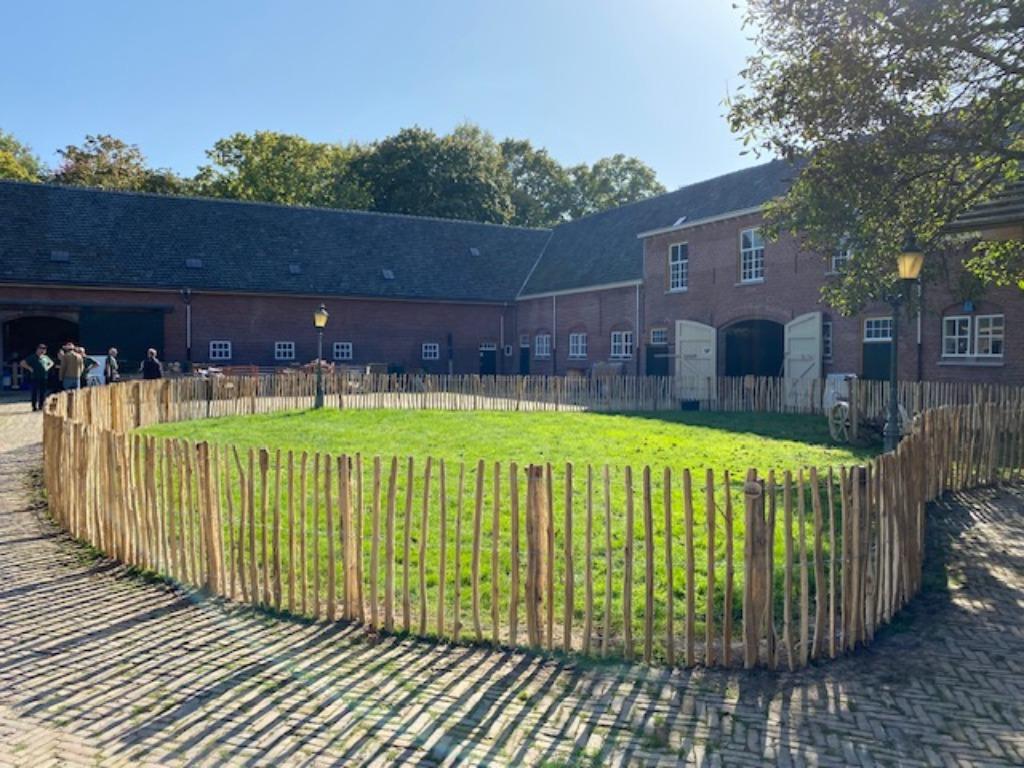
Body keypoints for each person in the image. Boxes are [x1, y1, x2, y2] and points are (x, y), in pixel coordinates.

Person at [19, 344, 53, 411]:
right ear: (37, 350)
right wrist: (29, 368)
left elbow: (51, 363)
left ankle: (41, 406)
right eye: (41, 349)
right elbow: (22, 363)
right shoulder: (32, 357)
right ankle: (34, 406)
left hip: (44, 377)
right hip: (35, 377)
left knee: (42, 393)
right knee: (34, 392)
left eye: (44, 349)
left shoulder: (45, 357)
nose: (42, 351)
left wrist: (47, 368)